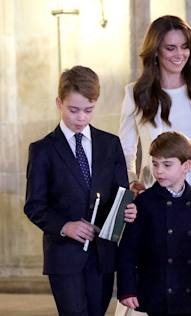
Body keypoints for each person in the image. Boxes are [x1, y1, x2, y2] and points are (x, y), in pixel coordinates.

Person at [118, 15, 191, 315]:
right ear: (156, 50)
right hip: (154, 197)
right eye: (170, 48)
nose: (179, 54)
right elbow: (125, 149)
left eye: (184, 47)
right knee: (156, 271)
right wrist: (132, 180)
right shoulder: (137, 92)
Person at [24, 65, 138, 316]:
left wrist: (127, 211)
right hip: (64, 257)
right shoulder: (43, 150)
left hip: (103, 256)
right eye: (73, 110)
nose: (81, 118)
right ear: (59, 102)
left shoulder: (110, 145)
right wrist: (66, 226)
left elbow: (120, 196)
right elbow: (34, 206)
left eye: (89, 110)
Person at [117, 131, 191, 316]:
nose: (159, 171)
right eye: (155, 164)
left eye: (167, 165)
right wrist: (127, 289)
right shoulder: (144, 202)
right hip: (154, 288)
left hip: (187, 289)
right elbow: (128, 250)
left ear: (186, 166)